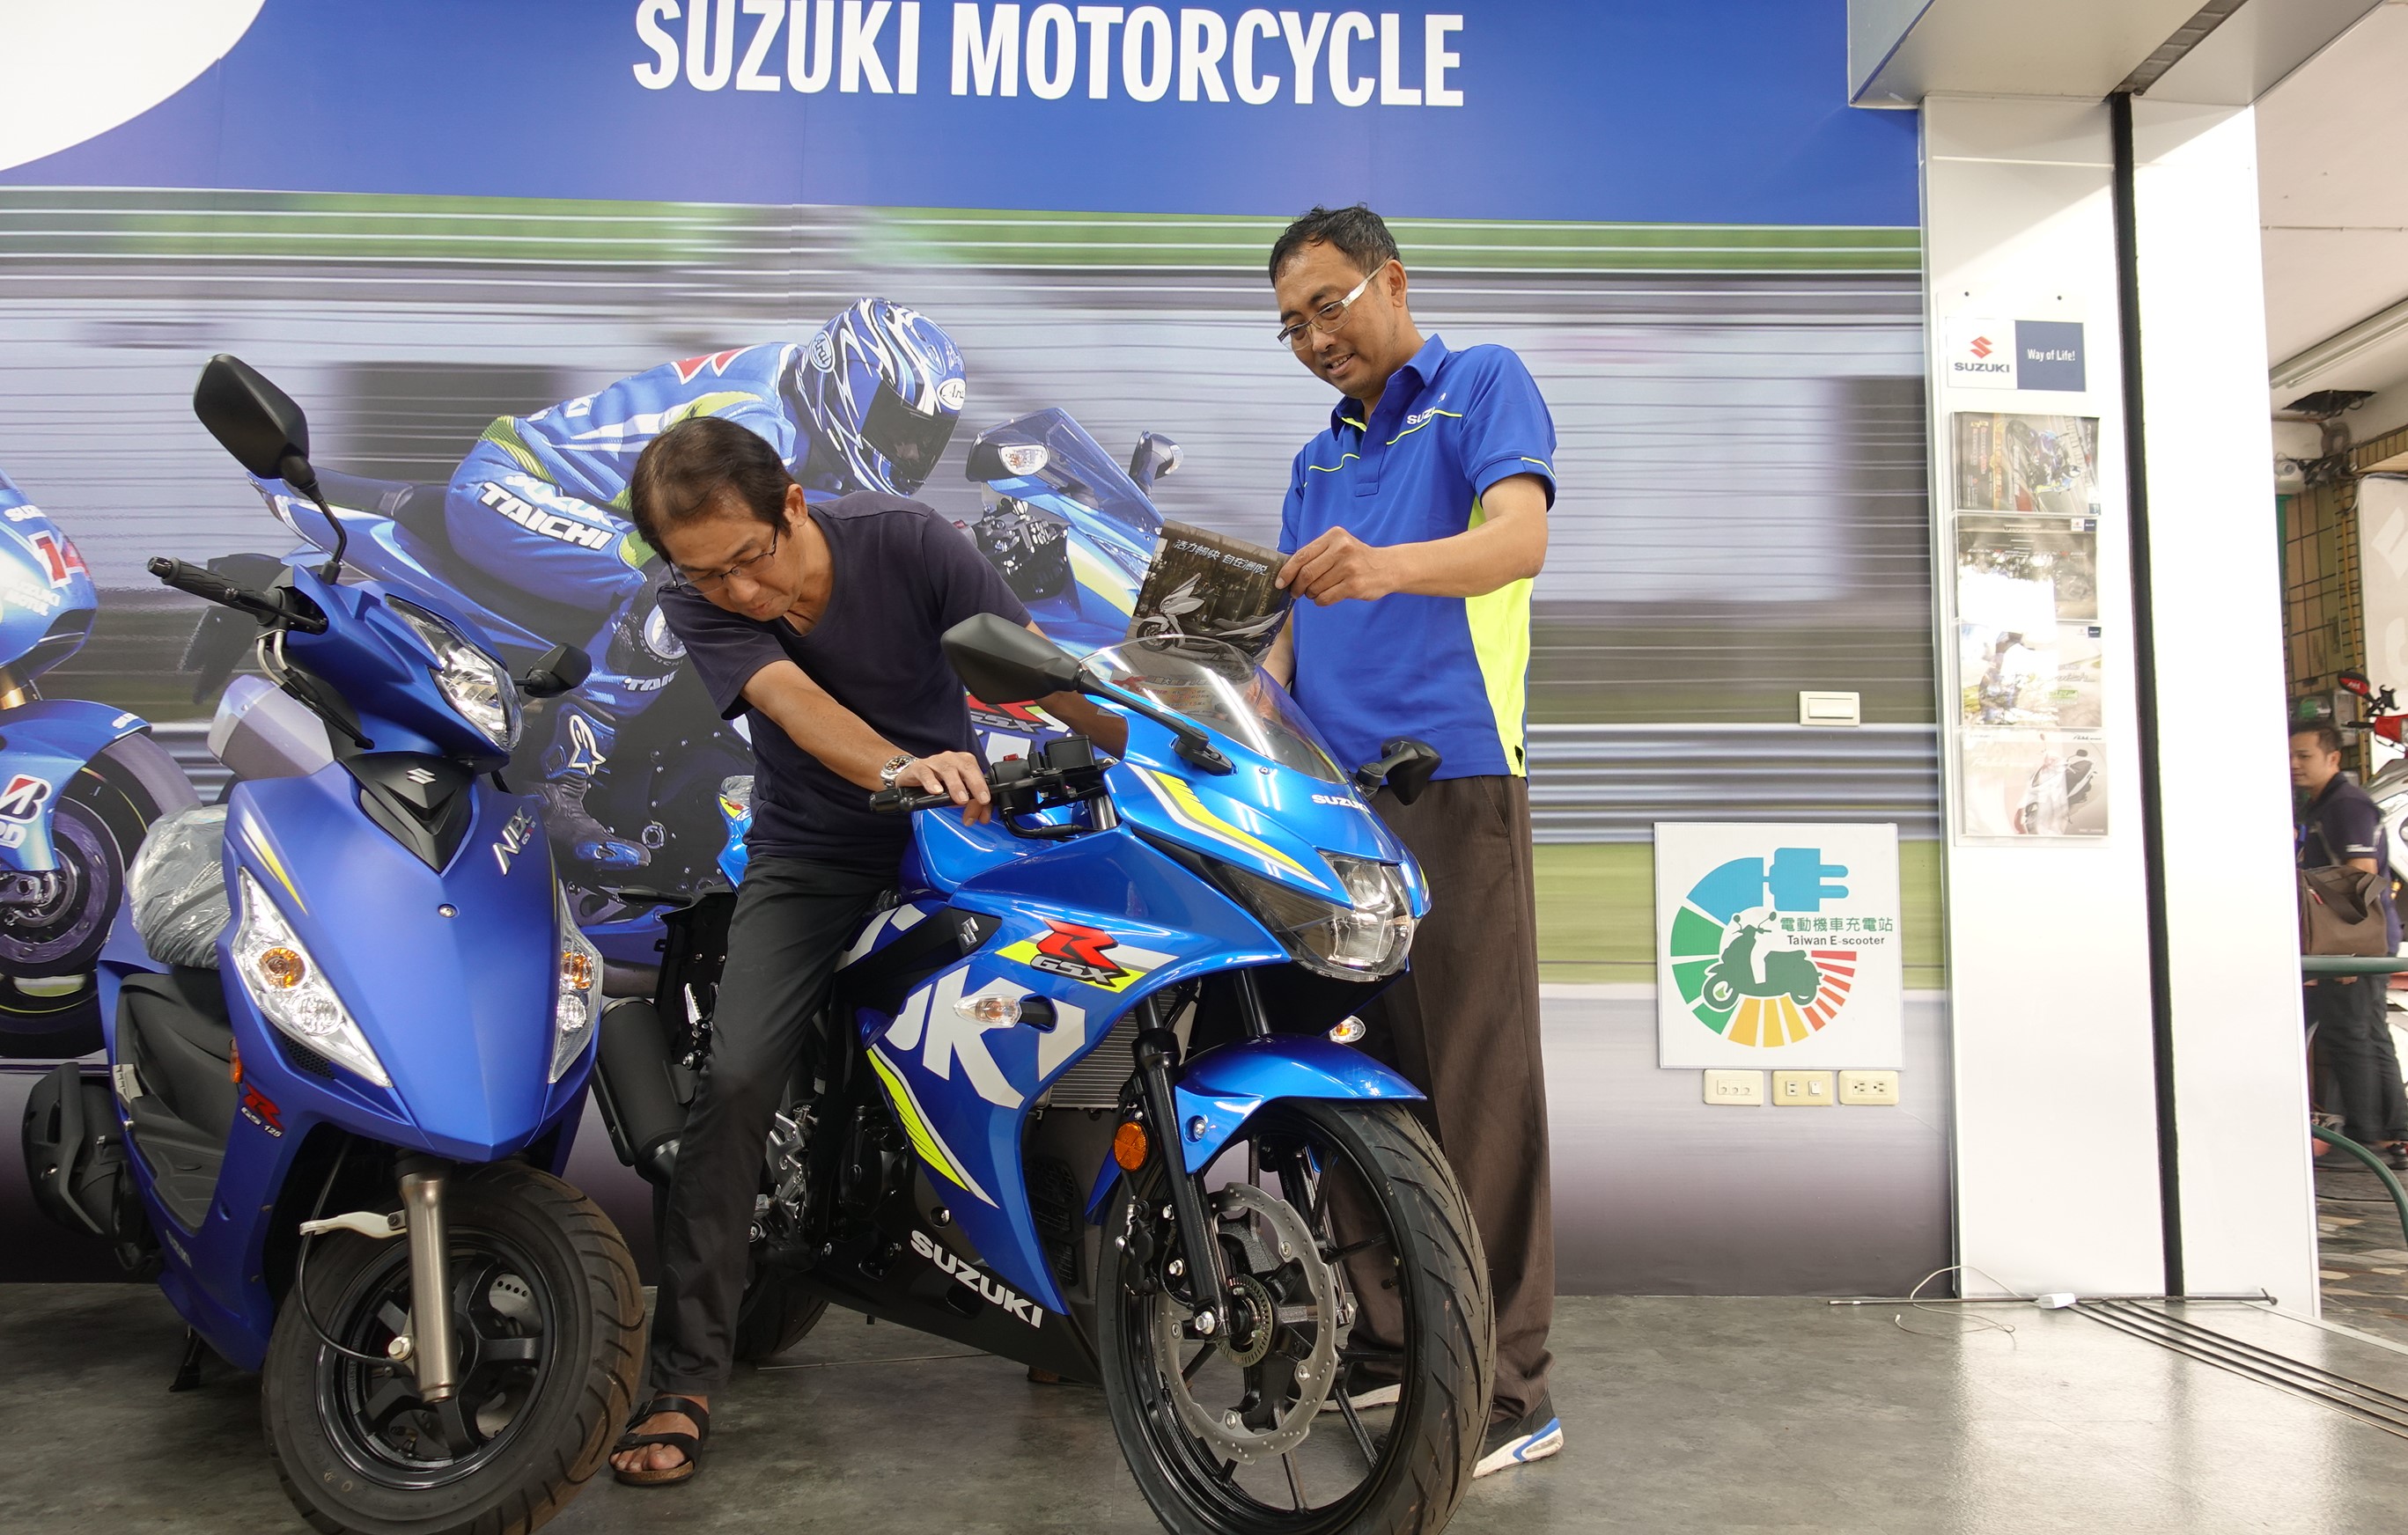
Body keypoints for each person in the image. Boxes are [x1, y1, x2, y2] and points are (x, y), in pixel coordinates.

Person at [605, 415, 1123, 1487]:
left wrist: (1170, 743)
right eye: (707, 576)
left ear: (792, 504)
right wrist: (900, 768)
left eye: (748, 559)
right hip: (812, 853)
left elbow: (1039, 675)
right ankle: (685, 1376)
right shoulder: (696, 597)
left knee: (1061, 1026)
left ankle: (1056, 1305)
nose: (737, 591)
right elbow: (790, 702)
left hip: (961, 843)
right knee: (736, 1076)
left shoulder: (907, 541)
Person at [1263, 203, 1561, 1476]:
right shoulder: (1314, 456)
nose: (1312, 338)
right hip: (1325, 807)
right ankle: (1396, 1346)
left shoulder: (1480, 384)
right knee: (1350, 1070)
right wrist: (1231, 703)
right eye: (1289, 325)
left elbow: (1517, 540)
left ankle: (1508, 1388)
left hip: (1450, 779)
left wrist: (1381, 567)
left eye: (1327, 305)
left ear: (1390, 281)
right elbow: (1287, 630)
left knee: (1471, 1081)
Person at [441, 298, 968, 870]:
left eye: (924, 439)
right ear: (847, 384)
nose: (909, 452)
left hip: (583, 502)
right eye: (898, 429)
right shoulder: (751, 420)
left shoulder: (801, 402)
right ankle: (560, 784)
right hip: (512, 484)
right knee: (678, 583)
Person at [2292, 722, 2407, 1168]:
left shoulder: (2346, 805)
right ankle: (2392, 1136)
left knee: (2351, 1035)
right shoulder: (2322, 804)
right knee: (2365, 1033)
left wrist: (2347, 952)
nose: (2295, 764)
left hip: (2354, 939)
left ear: (2333, 757)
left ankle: (2367, 1139)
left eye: (2305, 756)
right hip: (2355, 940)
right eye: (2291, 756)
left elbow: (2360, 875)